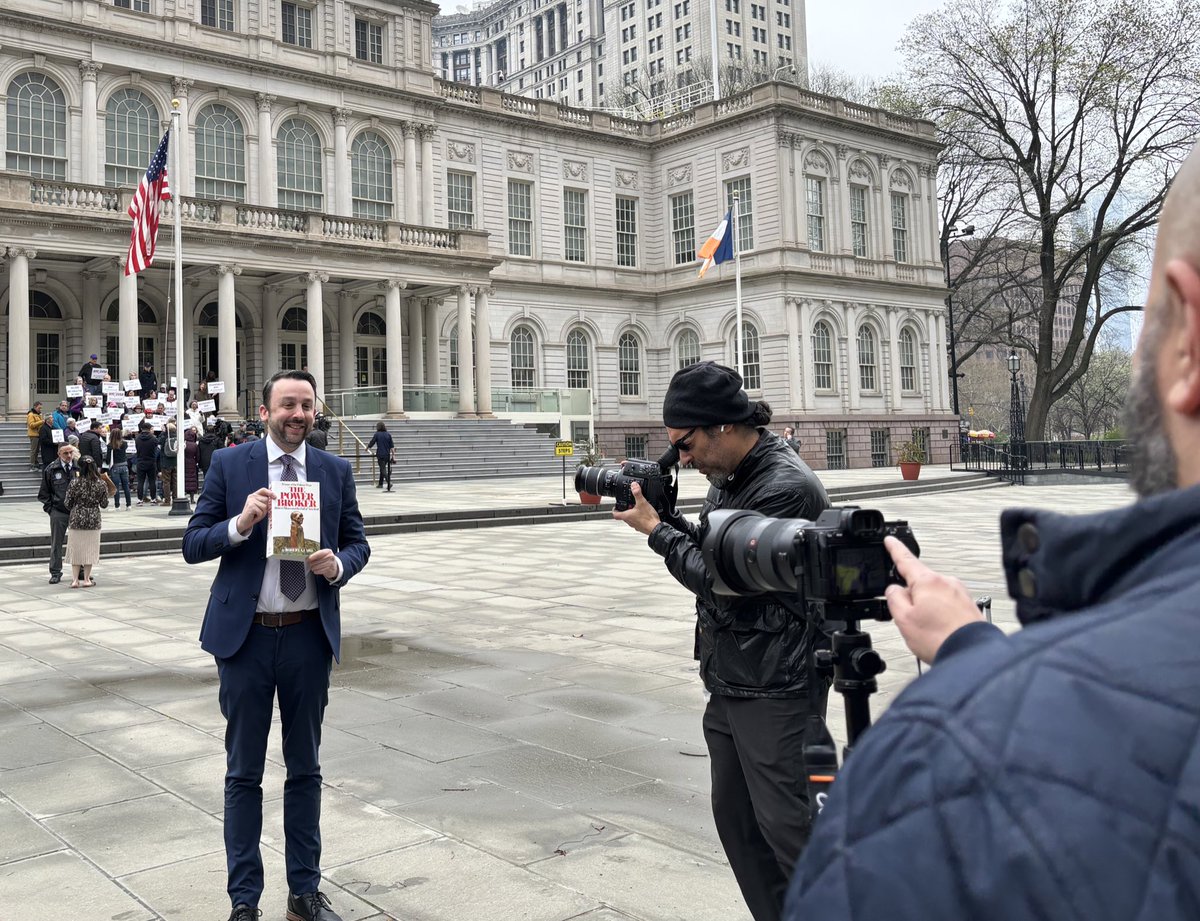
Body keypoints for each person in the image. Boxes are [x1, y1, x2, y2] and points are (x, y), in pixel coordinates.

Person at [785, 142, 1200, 921]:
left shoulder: (950, 764)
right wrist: (980, 655)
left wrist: (988, 694)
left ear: (1191, 342)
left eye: (1150, 319)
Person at [613, 361, 831, 921]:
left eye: (685, 445)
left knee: (791, 827)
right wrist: (669, 520)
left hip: (779, 684)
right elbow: (716, 546)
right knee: (737, 822)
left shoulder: (786, 487)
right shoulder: (731, 477)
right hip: (734, 676)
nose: (681, 459)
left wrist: (656, 532)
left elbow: (723, 579)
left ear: (722, 427)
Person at [182, 370, 370, 921]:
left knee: (305, 768)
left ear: (316, 413)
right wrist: (238, 525)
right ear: (264, 412)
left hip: (308, 636)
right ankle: (244, 900)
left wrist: (339, 565)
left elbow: (358, 542)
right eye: (287, 404)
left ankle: (304, 892)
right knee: (243, 771)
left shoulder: (333, 471)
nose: (298, 414)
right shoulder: (229, 465)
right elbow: (193, 542)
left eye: (307, 405)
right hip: (245, 641)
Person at [38, 443, 79, 584]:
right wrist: (51, 510)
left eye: (70, 453)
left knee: (78, 542)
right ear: (59, 454)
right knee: (56, 543)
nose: (69, 456)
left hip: (77, 511)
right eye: (65, 453)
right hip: (59, 512)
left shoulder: (78, 467)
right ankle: (55, 572)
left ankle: (80, 571)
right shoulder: (51, 469)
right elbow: (43, 493)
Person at [65, 456, 107, 588]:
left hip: (77, 518)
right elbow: (104, 504)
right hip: (93, 519)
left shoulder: (74, 482)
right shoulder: (101, 483)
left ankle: (75, 580)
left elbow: (67, 503)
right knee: (90, 549)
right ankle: (87, 579)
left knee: (75, 549)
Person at [134, 422, 159, 505]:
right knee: (152, 481)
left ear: (141, 429)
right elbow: (156, 449)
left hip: (140, 461)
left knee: (140, 481)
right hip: (151, 461)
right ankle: (153, 499)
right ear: (149, 429)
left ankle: (140, 499)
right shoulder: (154, 438)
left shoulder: (137, 438)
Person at [107, 430, 132, 510]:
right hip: (124, 466)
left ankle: (117, 505)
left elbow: (108, 458)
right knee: (126, 486)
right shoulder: (124, 443)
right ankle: (129, 505)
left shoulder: (110, 445)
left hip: (115, 466)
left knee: (116, 487)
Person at [366, 421, 394, 491]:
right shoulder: (388, 434)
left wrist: (367, 448)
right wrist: (393, 455)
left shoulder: (377, 434)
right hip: (387, 454)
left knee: (383, 469)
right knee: (383, 468)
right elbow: (392, 446)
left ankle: (389, 482)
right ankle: (380, 484)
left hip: (380, 454)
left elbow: (372, 442)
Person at [183, 426, 199, 502]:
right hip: (192, 463)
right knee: (192, 480)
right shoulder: (195, 445)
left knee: (185, 479)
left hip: (184, 463)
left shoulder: (184, 444)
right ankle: (192, 498)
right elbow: (198, 456)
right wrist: (196, 461)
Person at [27, 401, 44, 469]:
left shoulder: (38, 414)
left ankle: (36, 462)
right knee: (34, 450)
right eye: (39, 408)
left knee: (36, 450)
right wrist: (41, 421)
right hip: (34, 435)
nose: (40, 409)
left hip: (38, 434)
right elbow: (31, 425)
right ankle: (32, 464)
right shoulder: (31, 414)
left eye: (40, 408)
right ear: (35, 407)